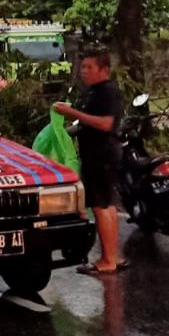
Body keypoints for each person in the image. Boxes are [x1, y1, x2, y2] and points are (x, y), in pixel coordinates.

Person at [54, 48, 125, 275]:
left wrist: (72, 112)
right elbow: (89, 123)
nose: (84, 72)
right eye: (82, 67)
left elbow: (105, 123)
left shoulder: (107, 92)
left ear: (104, 70)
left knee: (100, 206)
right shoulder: (96, 92)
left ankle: (107, 260)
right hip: (100, 155)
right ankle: (114, 255)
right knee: (107, 205)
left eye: (89, 67)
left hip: (101, 156)